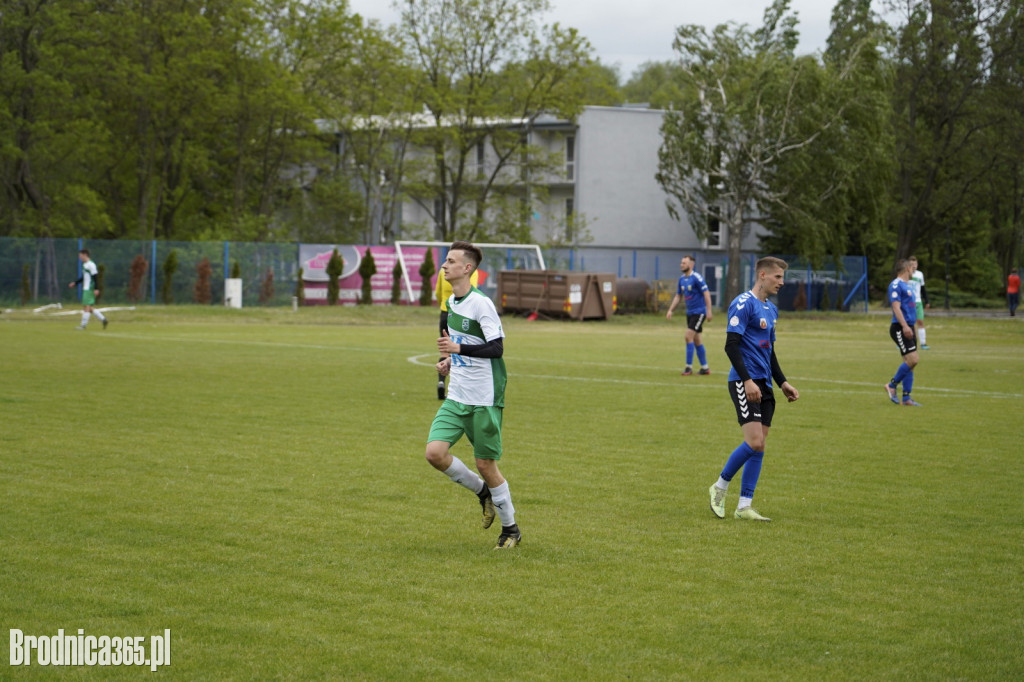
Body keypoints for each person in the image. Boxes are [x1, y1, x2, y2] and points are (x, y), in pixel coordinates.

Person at [425, 241, 521, 549]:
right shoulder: (452, 303)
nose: (444, 266)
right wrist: (450, 361)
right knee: (435, 454)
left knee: (485, 465)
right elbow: (465, 345)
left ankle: (511, 530)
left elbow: (496, 348)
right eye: (445, 261)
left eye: (451, 261)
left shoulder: (482, 303)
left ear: (467, 268)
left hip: (484, 397)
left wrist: (458, 349)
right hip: (457, 396)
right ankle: (483, 493)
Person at [707, 257, 799, 522]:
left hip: (765, 384)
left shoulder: (770, 310)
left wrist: (782, 382)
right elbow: (731, 345)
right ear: (762, 275)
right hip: (743, 381)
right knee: (754, 441)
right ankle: (720, 486)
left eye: (782, 277)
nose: (782, 282)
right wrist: (747, 380)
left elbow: (769, 353)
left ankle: (744, 505)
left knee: (760, 447)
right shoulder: (743, 303)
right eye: (777, 277)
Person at [434, 263, 479, 399]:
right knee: (464, 348)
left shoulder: (443, 271)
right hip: (461, 315)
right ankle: (462, 389)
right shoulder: (471, 272)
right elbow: (472, 292)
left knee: (445, 351)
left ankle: (441, 382)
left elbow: (437, 292)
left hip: (444, 312)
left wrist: (442, 304)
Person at [665, 255, 713, 375]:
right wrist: (671, 310)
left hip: (699, 312)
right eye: (681, 263)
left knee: (688, 336)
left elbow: (706, 294)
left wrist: (709, 311)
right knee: (696, 339)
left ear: (691, 265)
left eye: (684, 263)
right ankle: (705, 368)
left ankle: (688, 367)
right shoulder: (682, 279)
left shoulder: (697, 278)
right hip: (690, 313)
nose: (682, 265)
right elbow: (678, 296)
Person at [885, 259, 921, 407]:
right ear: (906, 268)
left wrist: (913, 328)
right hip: (900, 327)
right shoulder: (895, 285)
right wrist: (905, 327)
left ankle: (906, 398)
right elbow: (896, 307)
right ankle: (892, 385)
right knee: (913, 360)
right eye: (912, 267)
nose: (914, 270)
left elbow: (910, 308)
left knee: (909, 363)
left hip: (909, 327)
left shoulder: (908, 286)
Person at [67, 249, 108, 330]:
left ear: (85, 255)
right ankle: (103, 319)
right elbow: (84, 277)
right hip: (86, 288)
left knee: (87, 307)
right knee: (88, 308)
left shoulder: (91, 265)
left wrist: (96, 288)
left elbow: (95, 277)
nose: (79, 257)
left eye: (80, 255)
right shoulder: (85, 265)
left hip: (90, 288)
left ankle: (83, 326)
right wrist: (75, 283)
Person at [908, 256, 929, 349]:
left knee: (920, 321)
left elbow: (923, 289)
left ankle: (923, 343)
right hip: (909, 302)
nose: (914, 266)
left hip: (918, 301)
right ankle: (906, 342)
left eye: (915, 264)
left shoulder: (920, 274)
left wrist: (927, 301)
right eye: (912, 264)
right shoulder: (906, 274)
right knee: (909, 322)